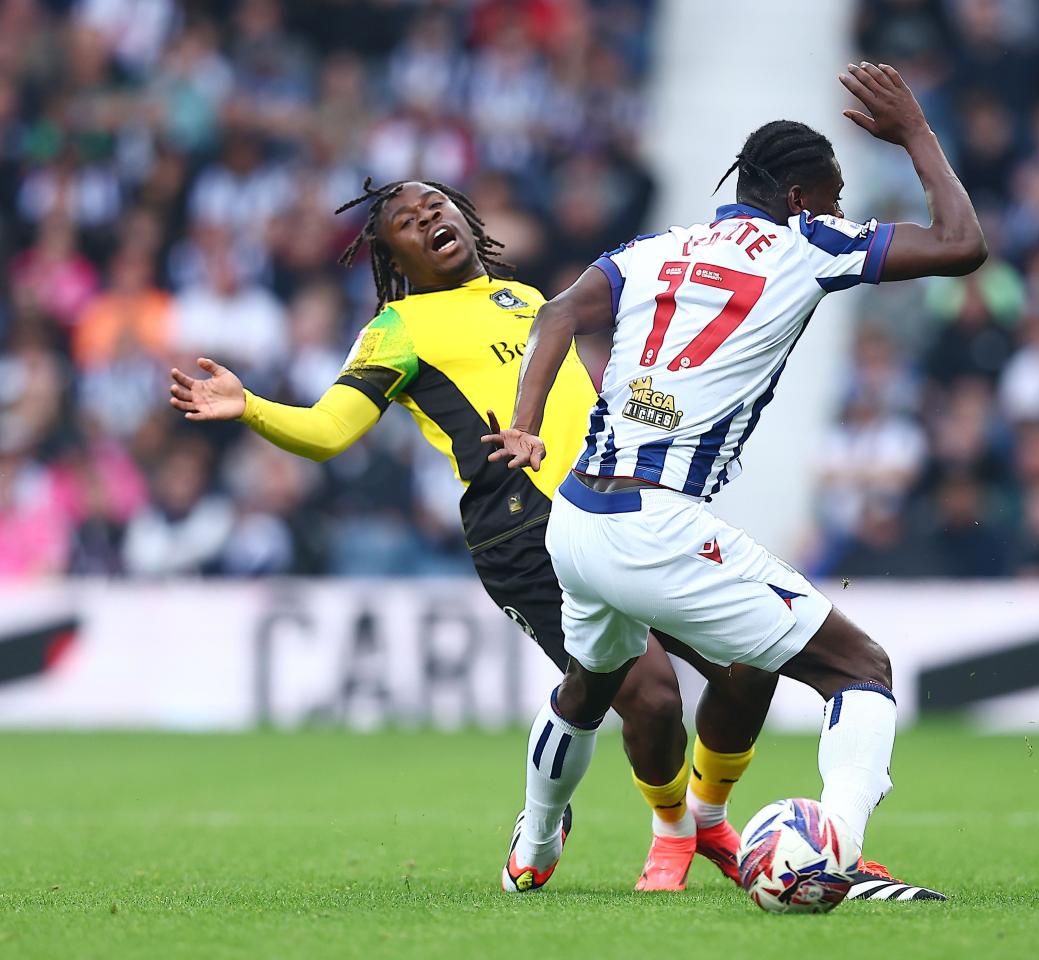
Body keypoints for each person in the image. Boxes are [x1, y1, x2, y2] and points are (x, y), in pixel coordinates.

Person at [167, 176, 779, 892]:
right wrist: (251, 407)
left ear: (465, 217)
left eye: (436, 205)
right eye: (405, 220)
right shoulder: (397, 329)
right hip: (522, 530)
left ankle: (687, 819)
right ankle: (669, 834)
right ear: (392, 253)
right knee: (648, 696)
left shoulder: (527, 300)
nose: (427, 217)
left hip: (616, 506)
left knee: (750, 655)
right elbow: (331, 431)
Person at [486, 62, 986, 900]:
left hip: (574, 516)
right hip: (653, 521)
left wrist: (528, 423)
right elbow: (963, 245)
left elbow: (558, 312)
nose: (837, 213)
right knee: (860, 667)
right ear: (799, 199)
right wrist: (915, 136)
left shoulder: (654, 251)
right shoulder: (808, 243)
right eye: (829, 198)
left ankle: (532, 846)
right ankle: (839, 854)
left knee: (589, 685)